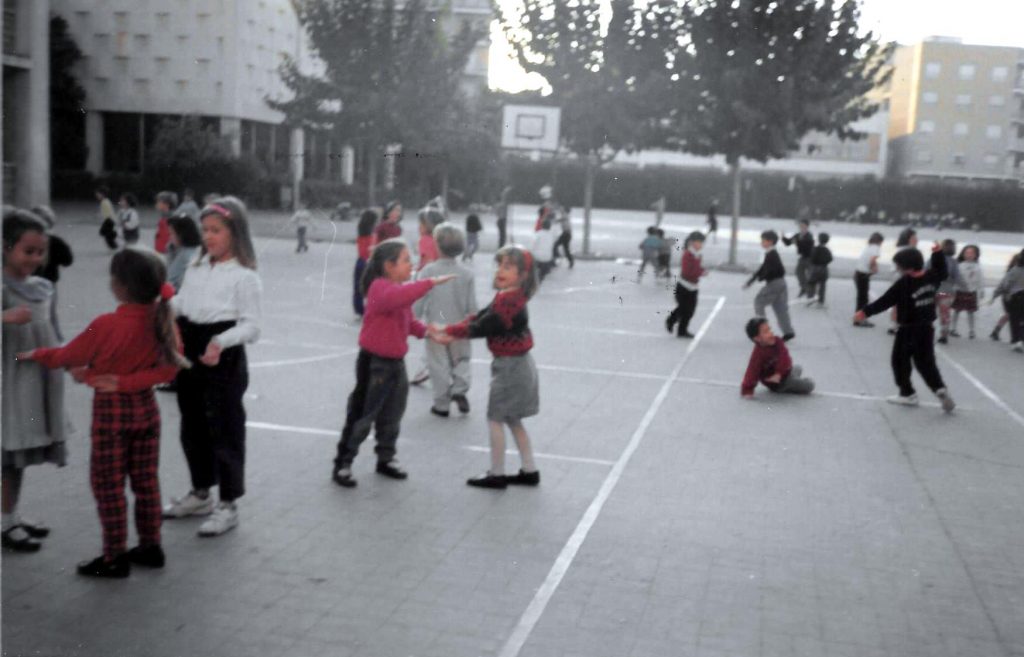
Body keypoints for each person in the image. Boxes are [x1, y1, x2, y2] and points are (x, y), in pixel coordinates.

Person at [19, 249, 187, 578]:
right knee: (146, 482)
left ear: (118, 285)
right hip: (146, 411)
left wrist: (34, 354)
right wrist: (116, 379)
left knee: (108, 486)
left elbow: (66, 355)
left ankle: (114, 556)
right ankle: (151, 546)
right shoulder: (162, 320)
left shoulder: (106, 324)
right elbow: (169, 370)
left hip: (111, 415)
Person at [163, 197, 262, 537]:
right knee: (192, 424)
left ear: (235, 232)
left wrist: (221, 341)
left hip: (223, 354)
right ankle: (201, 493)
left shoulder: (245, 276)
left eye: (216, 230)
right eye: (205, 230)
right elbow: (186, 302)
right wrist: (167, 305)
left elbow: (253, 326)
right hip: (191, 348)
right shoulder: (196, 265)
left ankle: (228, 504)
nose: (208, 236)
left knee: (225, 428)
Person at [331, 239, 454, 488]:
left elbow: (408, 321)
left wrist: (428, 332)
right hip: (374, 364)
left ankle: (385, 458)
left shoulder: (397, 291)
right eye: (406, 260)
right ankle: (344, 462)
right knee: (363, 414)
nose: (411, 264)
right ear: (389, 266)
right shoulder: (380, 288)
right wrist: (430, 282)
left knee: (392, 414)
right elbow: (399, 298)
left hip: (396, 364)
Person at [433, 245, 540, 490]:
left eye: (508, 267)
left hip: (511, 368)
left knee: (495, 418)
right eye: (499, 265)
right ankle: (529, 470)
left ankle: (497, 473)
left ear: (523, 275)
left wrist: (450, 331)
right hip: (516, 365)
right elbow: (481, 316)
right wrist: (453, 329)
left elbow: (484, 326)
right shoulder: (508, 296)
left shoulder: (510, 302)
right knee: (512, 418)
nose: (500, 270)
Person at [2, 209, 67, 553]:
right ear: (5, 247)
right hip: (7, 384)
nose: (35, 259)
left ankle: (9, 515)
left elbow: (54, 331)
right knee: (7, 456)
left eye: (41, 252)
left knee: (18, 456)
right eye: (28, 251)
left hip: (33, 384)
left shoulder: (43, 287)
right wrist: (4, 317)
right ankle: (5, 522)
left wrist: (71, 359)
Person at [854, 243, 956, 412]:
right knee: (926, 363)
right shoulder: (931, 276)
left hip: (908, 329)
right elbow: (942, 270)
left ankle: (907, 393)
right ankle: (940, 389)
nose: (897, 268)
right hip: (927, 329)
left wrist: (865, 312)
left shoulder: (904, 283)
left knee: (900, 361)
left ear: (907, 267)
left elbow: (885, 301)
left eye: (899, 266)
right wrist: (937, 253)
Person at [415, 224, 478, 417]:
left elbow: (419, 298)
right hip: (461, 326)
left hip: (436, 327)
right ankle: (460, 389)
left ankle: (441, 404)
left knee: (438, 364)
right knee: (462, 359)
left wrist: (414, 319)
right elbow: (472, 306)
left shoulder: (428, 271)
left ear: (437, 246)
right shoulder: (467, 273)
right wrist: (473, 323)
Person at [740, 318, 815, 398]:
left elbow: (785, 357)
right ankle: (787, 386)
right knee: (810, 385)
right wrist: (747, 390)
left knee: (798, 367)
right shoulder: (758, 354)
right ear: (757, 338)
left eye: (769, 329)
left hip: (783, 373)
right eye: (766, 332)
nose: (771, 333)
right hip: (778, 384)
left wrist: (778, 373)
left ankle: (792, 380)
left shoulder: (777, 341)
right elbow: (751, 371)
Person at [30, 205, 74, 341]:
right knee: (50, 315)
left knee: (34, 314)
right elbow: (67, 260)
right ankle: (57, 341)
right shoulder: (55, 242)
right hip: (49, 283)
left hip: (29, 283)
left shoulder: (25, 241)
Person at [744, 230, 795, 342]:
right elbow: (763, 269)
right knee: (780, 308)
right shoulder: (771, 253)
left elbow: (772, 270)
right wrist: (752, 280)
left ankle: (762, 329)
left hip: (774, 283)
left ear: (770, 241)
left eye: (763, 240)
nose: (761, 243)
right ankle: (788, 332)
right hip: (781, 283)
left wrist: (761, 277)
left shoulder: (772, 254)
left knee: (759, 302)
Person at [666, 231, 707, 338]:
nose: (701, 245)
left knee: (690, 311)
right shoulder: (688, 254)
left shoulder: (697, 255)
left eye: (702, 243)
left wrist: (701, 270)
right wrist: (701, 272)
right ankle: (671, 321)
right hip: (684, 287)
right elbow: (687, 272)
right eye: (699, 242)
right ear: (692, 242)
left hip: (693, 287)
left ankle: (682, 330)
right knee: (683, 308)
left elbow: (697, 268)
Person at [990, 249, 1024, 352]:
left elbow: (1005, 284)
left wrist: (995, 294)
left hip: (1014, 298)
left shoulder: (1015, 270)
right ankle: (1019, 340)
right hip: (1016, 298)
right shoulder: (1015, 270)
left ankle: (1016, 341)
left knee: (1015, 320)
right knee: (1019, 320)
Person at [888, 228, 918, 335]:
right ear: (908, 239)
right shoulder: (906, 250)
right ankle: (897, 325)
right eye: (914, 237)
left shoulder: (903, 249)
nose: (916, 239)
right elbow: (901, 267)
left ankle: (894, 325)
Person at [951, 244, 983, 339]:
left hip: (971, 291)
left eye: (971, 253)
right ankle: (953, 328)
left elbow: (980, 279)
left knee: (971, 312)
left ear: (975, 255)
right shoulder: (959, 265)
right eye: (967, 253)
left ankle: (971, 330)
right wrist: (953, 289)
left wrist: (981, 290)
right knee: (956, 310)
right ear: (963, 254)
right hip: (960, 291)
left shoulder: (977, 267)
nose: (969, 255)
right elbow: (955, 278)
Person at [853, 232, 883, 327]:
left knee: (860, 298)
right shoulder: (876, 248)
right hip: (863, 275)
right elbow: (872, 260)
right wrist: (874, 269)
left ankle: (857, 319)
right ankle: (861, 320)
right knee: (864, 299)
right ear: (879, 241)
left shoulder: (869, 247)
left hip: (858, 273)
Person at [166, 214, 202, 292]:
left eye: (171, 233)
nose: (170, 237)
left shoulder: (190, 255)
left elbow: (173, 279)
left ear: (181, 234)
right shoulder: (175, 250)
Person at [936, 239, 962, 345]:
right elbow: (957, 277)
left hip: (934, 290)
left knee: (928, 311)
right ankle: (944, 334)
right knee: (945, 312)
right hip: (946, 292)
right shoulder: (953, 262)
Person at [781, 219, 815, 298]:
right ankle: (804, 288)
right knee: (799, 273)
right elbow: (788, 243)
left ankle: (810, 293)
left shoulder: (809, 236)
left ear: (807, 226)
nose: (801, 227)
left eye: (803, 225)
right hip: (802, 257)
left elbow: (807, 246)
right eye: (800, 225)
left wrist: (798, 242)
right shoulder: (798, 235)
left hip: (810, 258)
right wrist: (783, 237)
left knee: (810, 276)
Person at [353, 209, 377, 317]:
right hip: (368, 262)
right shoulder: (371, 235)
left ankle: (359, 309)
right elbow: (370, 250)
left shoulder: (361, 233)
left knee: (358, 287)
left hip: (360, 261)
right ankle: (370, 308)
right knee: (370, 288)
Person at [806, 232, 833, 307]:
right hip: (824, 269)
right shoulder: (827, 250)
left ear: (819, 239)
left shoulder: (815, 249)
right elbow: (830, 259)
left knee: (811, 284)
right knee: (822, 286)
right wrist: (824, 262)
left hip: (815, 268)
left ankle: (810, 299)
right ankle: (821, 301)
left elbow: (812, 258)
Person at [416, 207, 443, 271]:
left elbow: (428, 264)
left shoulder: (425, 240)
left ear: (429, 225)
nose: (419, 227)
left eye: (421, 224)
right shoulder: (442, 239)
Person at [154, 191, 179, 255]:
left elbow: (172, 237)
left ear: (167, 205)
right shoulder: (163, 216)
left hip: (166, 251)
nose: (156, 204)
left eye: (159, 202)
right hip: (160, 249)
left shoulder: (171, 218)